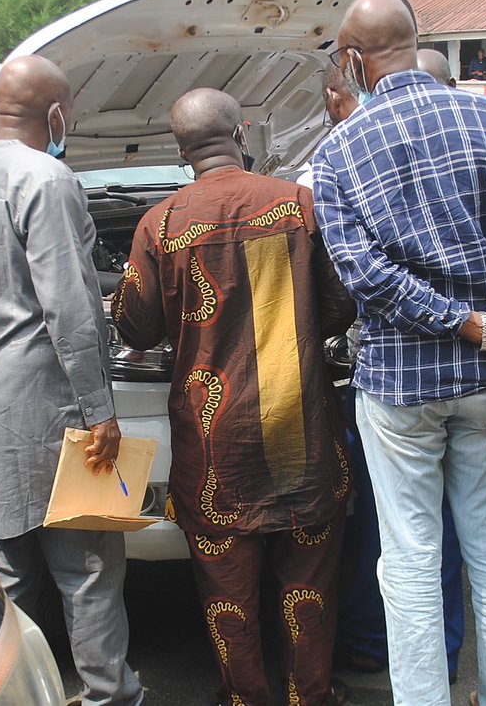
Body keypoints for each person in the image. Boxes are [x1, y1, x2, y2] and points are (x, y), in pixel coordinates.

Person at [312, 0, 486, 706]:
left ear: (354, 61)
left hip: (398, 392)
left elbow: (366, 278)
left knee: (411, 565)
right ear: (414, 38)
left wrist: (459, 322)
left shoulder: (337, 155)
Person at [113, 88, 355, 706]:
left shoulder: (161, 223)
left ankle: (246, 698)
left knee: (226, 588)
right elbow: (341, 302)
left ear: (181, 149)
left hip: (215, 437)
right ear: (242, 132)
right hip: (301, 423)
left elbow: (136, 328)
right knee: (310, 580)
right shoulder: (300, 205)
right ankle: (311, 695)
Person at [0, 56, 143, 706]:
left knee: (11, 558)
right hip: (50, 398)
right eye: (68, 111)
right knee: (89, 564)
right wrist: (99, 407)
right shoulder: (48, 177)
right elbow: (69, 304)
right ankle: (110, 695)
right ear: (54, 114)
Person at [318, 57, 468, 684]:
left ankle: (377, 647)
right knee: (462, 528)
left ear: (336, 95)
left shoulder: (341, 158)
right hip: (480, 372)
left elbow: (359, 282)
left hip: (397, 375)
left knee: (396, 531)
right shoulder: (480, 137)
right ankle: (450, 649)